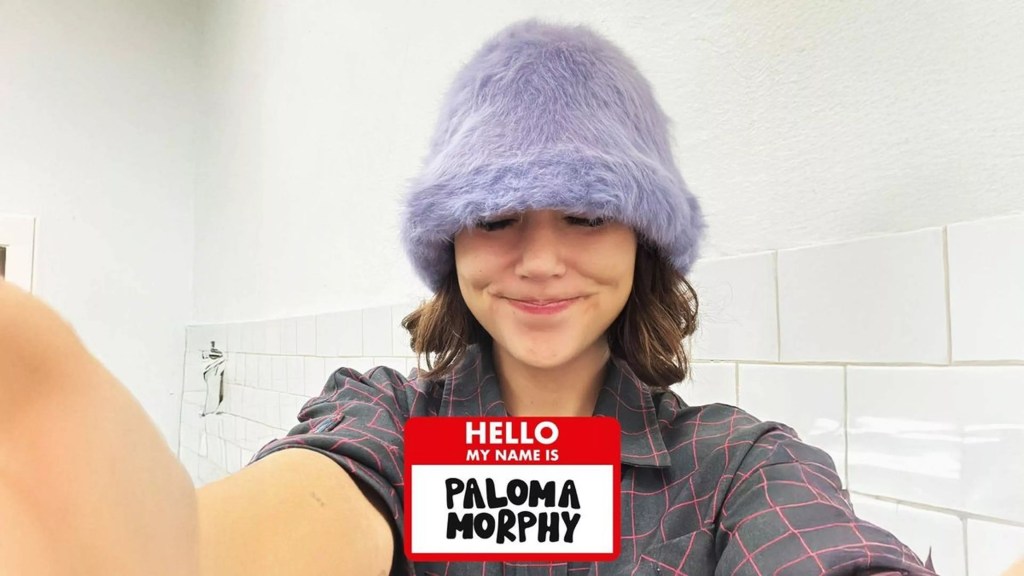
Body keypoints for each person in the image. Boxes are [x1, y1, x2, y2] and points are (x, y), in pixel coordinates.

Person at [0, 19, 940, 576]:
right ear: (451, 244)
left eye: (585, 213)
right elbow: (305, 505)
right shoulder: (382, 421)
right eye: (495, 217)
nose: (540, 260)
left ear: (641, 239)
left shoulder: (735, 469)